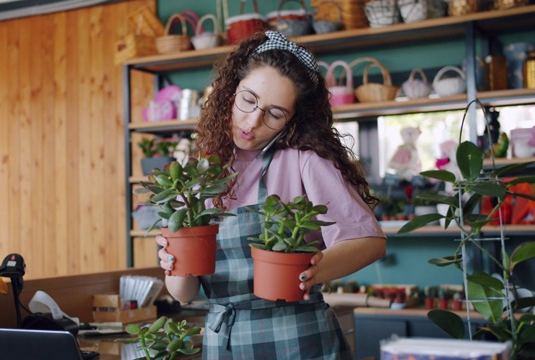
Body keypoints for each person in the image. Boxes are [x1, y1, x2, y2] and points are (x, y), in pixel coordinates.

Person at [155, 30, 387, 359]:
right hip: (225, 344)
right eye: (248, 100)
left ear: (293, 120)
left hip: (301, 340)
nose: (252, 122)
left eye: (274, 114)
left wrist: (310, 271)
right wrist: (174, 263)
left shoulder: (304, 161)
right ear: (230, 90)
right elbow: (184, 294)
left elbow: (370, 242)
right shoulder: (200, 172)